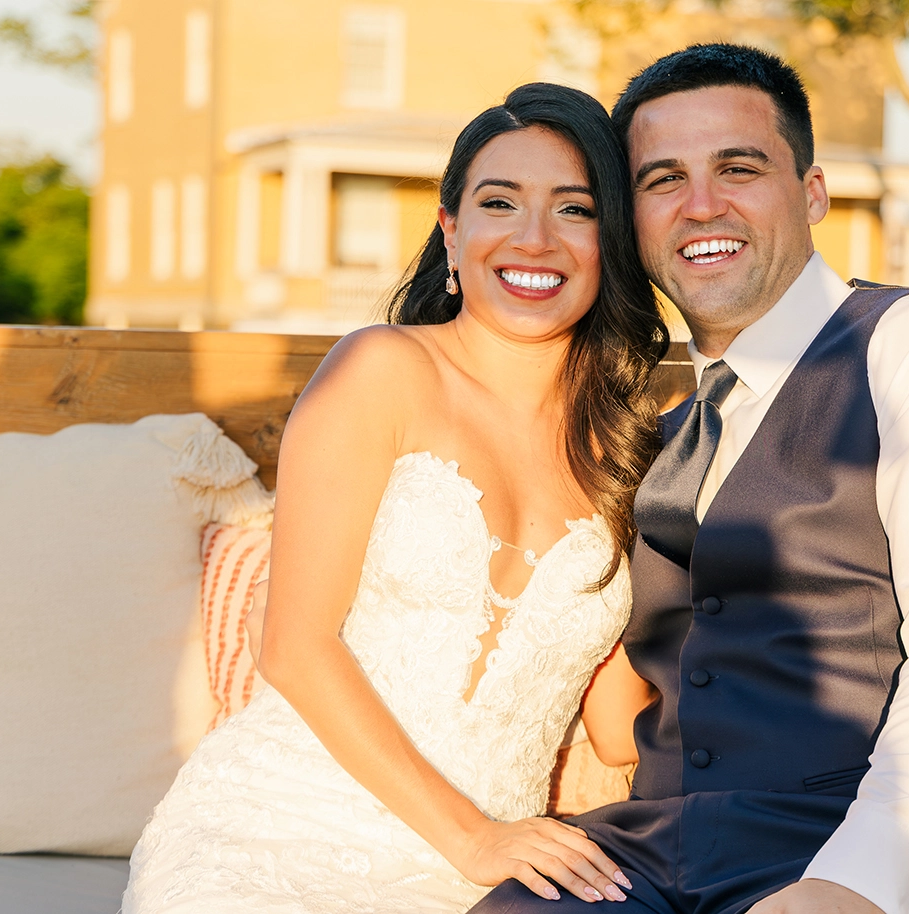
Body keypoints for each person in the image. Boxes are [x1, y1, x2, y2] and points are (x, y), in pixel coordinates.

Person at [470, 44, 909, 914]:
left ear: (812, 192)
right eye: (662, 179)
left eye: (738, 168)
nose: (701, 204)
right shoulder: (661, 432)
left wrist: (858, 879)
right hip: (651, 852)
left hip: (868, 846)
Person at [121, 82, 671, 913]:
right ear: (452, 233)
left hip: (498, 871)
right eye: (499, 203)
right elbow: (294, 648)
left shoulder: (629, 447)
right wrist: (474, 836)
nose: (534, 238)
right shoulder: (381, 371)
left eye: (575, 209)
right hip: (278, 829)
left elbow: (616, 723)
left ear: (612, 243)